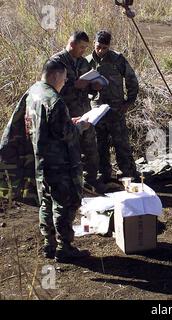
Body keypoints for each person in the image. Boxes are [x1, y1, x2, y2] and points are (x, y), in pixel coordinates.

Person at [24, 60, 91, 262]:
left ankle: (49, 244)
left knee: (46, 200)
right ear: (55, 76)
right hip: (59, 162)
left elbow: (42, 124)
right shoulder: (55, 100)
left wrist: (69, 122)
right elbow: (66, 134)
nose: (65, 81)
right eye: (64, 78)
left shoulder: (34, 92)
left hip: (41, 159)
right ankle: (65, 247)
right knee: (63, 203)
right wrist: (81, 127)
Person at [51, 31, 104, 191]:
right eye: (81, 47)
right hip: (65, 114)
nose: (83, 51)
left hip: (84, 111)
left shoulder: (82, 63)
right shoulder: (56, 62)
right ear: (72, 44)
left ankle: (91, 182)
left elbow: (88, 86)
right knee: (68, 150)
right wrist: (73, 85)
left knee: (89, 147)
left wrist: (94, 87)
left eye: (85, 48)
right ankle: (69, 185)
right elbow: (50, 89)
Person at [86, 30, 139, 183]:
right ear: (94, 44)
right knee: (99, 144)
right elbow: (81, 86)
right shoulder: (87, 61)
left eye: (104, 47)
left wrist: (129, 102)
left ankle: (127, 174)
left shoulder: (118, 60)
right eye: (98, 47)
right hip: (96, 109)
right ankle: (104, 174)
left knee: (121, 143)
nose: (100, 50)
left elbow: (132, 81)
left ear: (109, 46)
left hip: (116, 109)